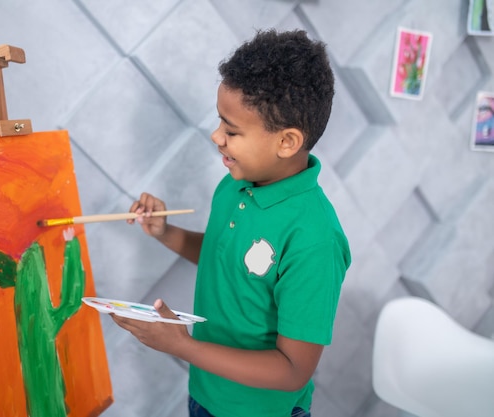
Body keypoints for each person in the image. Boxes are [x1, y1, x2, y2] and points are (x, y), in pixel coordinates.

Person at [111, 28, 351, 417]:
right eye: (220, 122)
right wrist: (165, 231)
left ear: (287, 142)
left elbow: (293, 371)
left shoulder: (315, 240)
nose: (215, 136)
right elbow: (224, 257)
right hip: (206, 395)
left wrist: (182, 346)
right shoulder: (234, 186)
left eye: (232, 130)